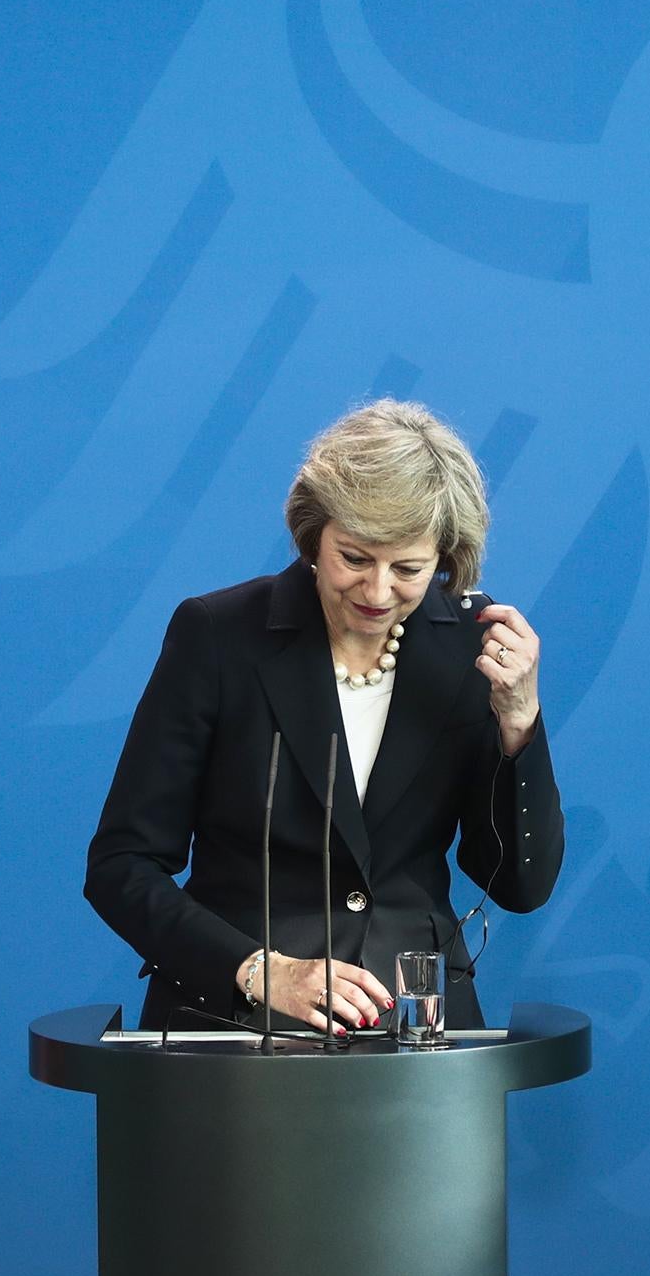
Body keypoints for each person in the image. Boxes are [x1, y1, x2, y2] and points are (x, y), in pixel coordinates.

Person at [87, 398, 563, 1035]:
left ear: (445, 558)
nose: (377, 592)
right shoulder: (219, 635)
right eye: (355, 558)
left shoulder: (473, 648)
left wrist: (519, 727)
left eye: (409, 569)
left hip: (419, 1037)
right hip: (234, 1033)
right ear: (315, 535)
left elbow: (520, 886)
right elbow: (122, 865)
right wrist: (259, 970)